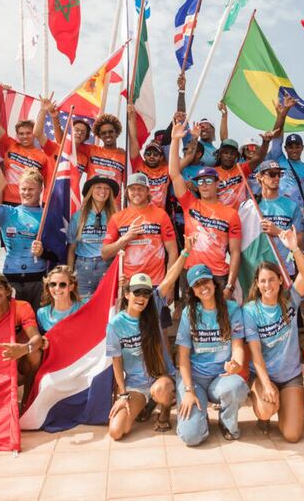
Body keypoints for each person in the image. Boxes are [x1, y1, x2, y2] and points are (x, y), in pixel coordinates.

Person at [107, 251, 191, 440]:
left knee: (160, 390)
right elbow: (116, 361)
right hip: (135, 385)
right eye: (137, 292)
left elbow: (170, 278)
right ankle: (147, 403)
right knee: (116, 432)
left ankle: (164, 411)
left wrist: (185, 252)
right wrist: (122, 394)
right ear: (127, 294)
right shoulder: (116, 324)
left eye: (146, 293)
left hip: (159, 378)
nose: (142, 297)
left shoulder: (152, 307)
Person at [243, 228, 304, 442]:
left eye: (272, 280)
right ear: (257, 284)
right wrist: (265, 384)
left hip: (290, 376)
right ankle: (264, 412)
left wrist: (294, 248)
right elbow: (255, 354)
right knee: (266, 409)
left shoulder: (290, 300)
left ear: (281, 281)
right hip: (265, 375)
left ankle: (283, 404)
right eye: (263, 281)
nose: (267, 285)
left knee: (292, 435)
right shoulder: (250, 310)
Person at [175, 264, 250, 445]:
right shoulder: (188, 313)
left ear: (214, 283)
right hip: (195, 379)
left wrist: (236, 364)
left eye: (206, 281)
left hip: (220, 377)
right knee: (191, 437)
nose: (203, 287)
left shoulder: (231, 309)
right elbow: (183, 357)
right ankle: (199, 419)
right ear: (192, 290)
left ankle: (226, 422)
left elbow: (238, 346)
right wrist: (188, 390)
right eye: (197, 284)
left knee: (237, 386)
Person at [169, 118, 242, 295]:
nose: (205, 185)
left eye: (209, 181)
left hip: (218, 276)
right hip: (191, 272)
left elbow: (235, 252)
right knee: (192, 322)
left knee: (221, 323)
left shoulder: (231, 214)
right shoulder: (189, 203)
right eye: (201, 182)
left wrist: (230, 286)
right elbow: (174, 173)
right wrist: (175, 140)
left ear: (217, 183)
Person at [0, 167, 49, 305]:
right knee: (13, 325)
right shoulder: (8, 213)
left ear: (41, 190)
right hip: (11, 279)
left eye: (31, 189)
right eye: (23, 189)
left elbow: (57, 253)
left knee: (36, 325)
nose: (26, 192)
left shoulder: (48, 215)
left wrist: (44, 252)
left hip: (37, 280)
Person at [102, 173, 179, 285]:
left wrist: (169, 284)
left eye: (140, 189)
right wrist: (126, 238)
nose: (136, 192)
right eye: (132, 189)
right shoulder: (117, 218)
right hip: (128, 284)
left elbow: (173, 252)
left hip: (156, 283)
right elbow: (105, 254)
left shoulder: (161, 215)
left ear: (148, 191)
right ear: (127, 192)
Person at [0, 86, 57, 205]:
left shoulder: (43, 156)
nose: (24, 136)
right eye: (21, 134)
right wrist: (0, 95)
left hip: (29, 203)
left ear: (34, 134)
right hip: (6, 201)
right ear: (17, 135)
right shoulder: (10, 144)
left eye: (28, 133)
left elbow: (47, 184)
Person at [0, 271, 44, 383]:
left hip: (21, 359)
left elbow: (37, 339)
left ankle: (28, 399)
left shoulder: (22, 307)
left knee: (35, 354)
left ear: (7, 291)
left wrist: (24, 349)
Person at [68, 176, 118, 300]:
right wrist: (69, 274)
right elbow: (71, 248)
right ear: (91, 190)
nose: (103, 191)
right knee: (82, 307)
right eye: (98, 187)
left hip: (107, 266)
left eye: (107, 188)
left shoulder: (116, 216)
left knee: (106, 308)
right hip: (83, 267)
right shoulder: (78, 217)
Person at [254, 160, 304, 276]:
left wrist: (278, 232)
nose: (276, 178)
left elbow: (301, 242)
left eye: (279, 174)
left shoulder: (292, 206)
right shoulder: (251, 206)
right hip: (259, 270)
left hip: (285, 270)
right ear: (261, 177)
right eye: (272, 174)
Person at [266, 130, 304, 213]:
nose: (294, 150)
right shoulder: (279, 159)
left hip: (297, 213)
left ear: (302, 147)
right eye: (290, 147)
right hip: (277, 210)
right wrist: (282, 118)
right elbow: (277, 142)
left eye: (297, 147)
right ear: (285, 148)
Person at [37, 265, 82, 332]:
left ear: (71, 287)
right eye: (53, 284)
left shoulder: (83, 307)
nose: (57, 288)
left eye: (62, 284)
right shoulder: (42, 313)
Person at [131, 139, 171, 209]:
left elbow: (186, 160)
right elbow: (133, 140)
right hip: (138, 212)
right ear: (144, 155)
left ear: (161, 157)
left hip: (159, 215)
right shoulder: (138, 164)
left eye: (155, 154)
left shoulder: (167, 169)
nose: (151, 156)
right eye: (148, 154)